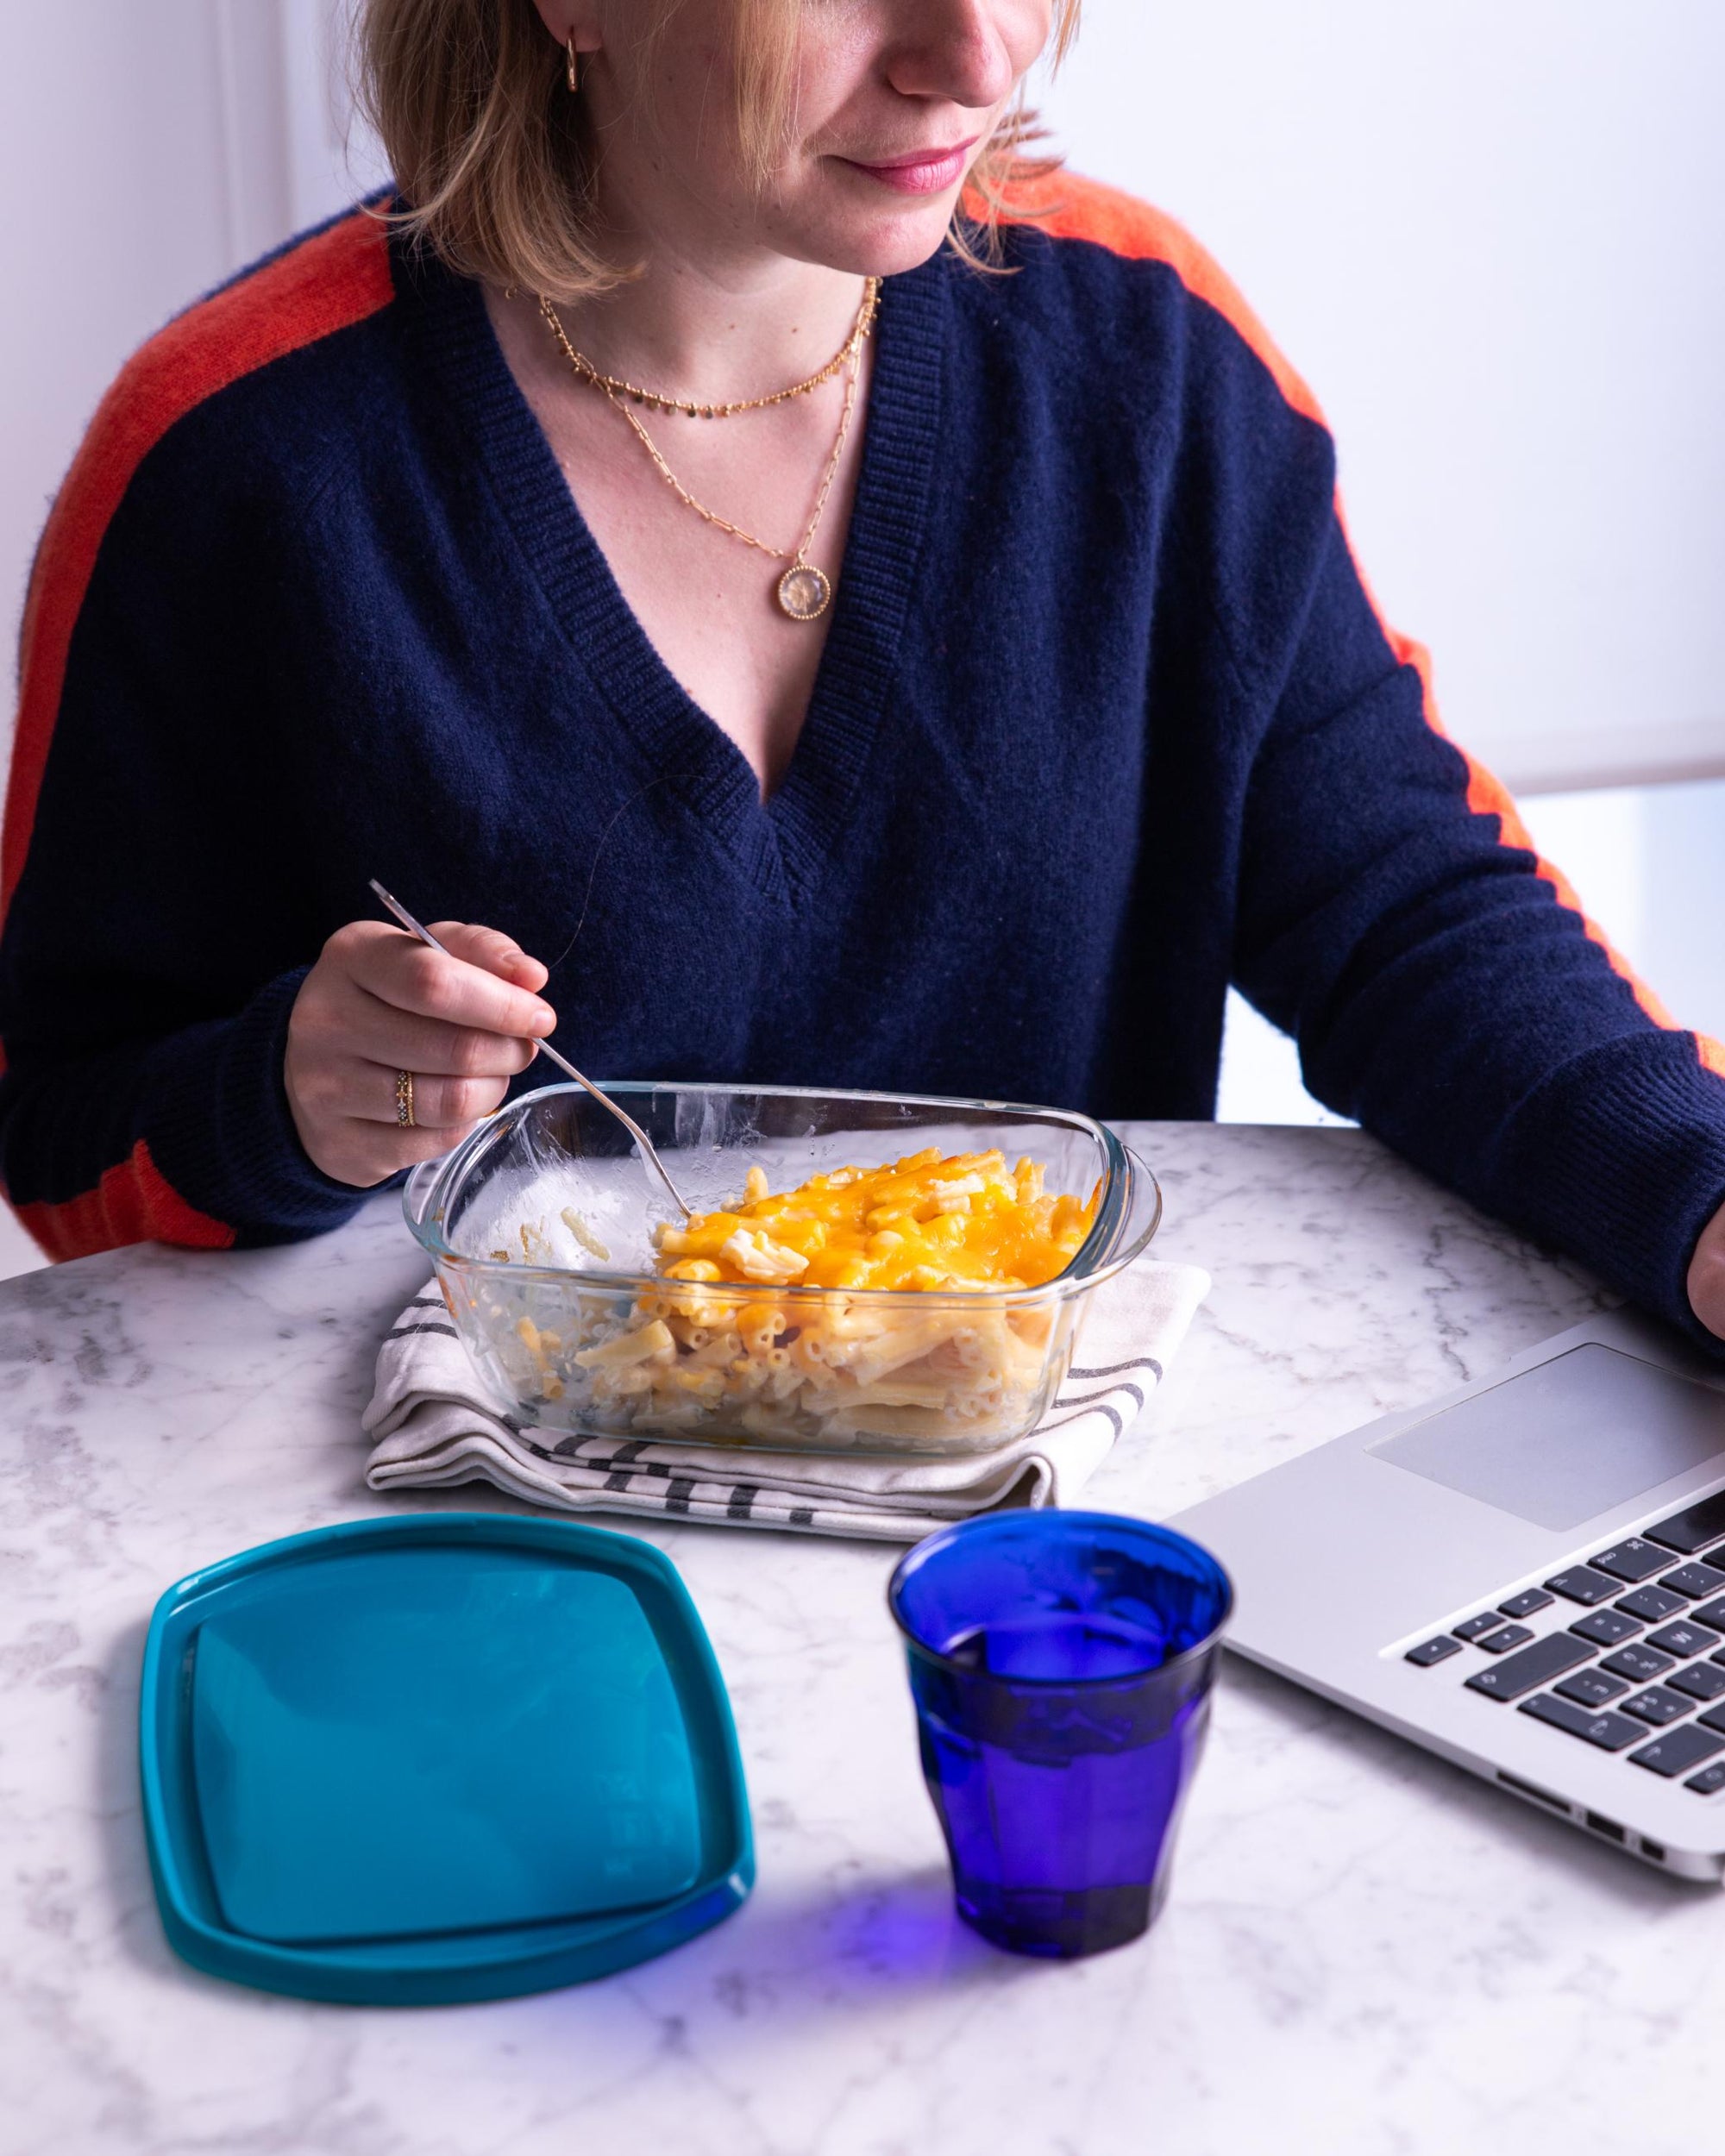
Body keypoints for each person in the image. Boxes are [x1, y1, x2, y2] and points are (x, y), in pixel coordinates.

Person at [3, 0, 1722, 1346]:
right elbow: (59, 1123)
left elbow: (1403, 912)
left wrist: (1699, 1205)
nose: (976, 54)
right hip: (478, 1588)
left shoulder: (1146, 350)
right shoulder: (234, 460)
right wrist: (283, 1096)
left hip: (1030, 1577)